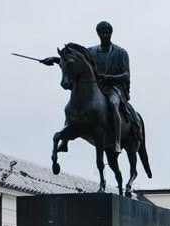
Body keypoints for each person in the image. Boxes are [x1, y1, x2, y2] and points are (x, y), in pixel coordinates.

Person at [41, 21, 131, 152]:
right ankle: (64, 141)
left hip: (113, 88)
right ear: (98, 34)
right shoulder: (91, 51)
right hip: (95, 87)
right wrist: (54, 59)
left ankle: (117, 141)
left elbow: (126, 75)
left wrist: (108, 77)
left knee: (113, 103)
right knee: (72, 106)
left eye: (107, 33)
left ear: (111, 33)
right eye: (102, 33)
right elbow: (72, 60)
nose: (105, 35)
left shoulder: (121, 52)